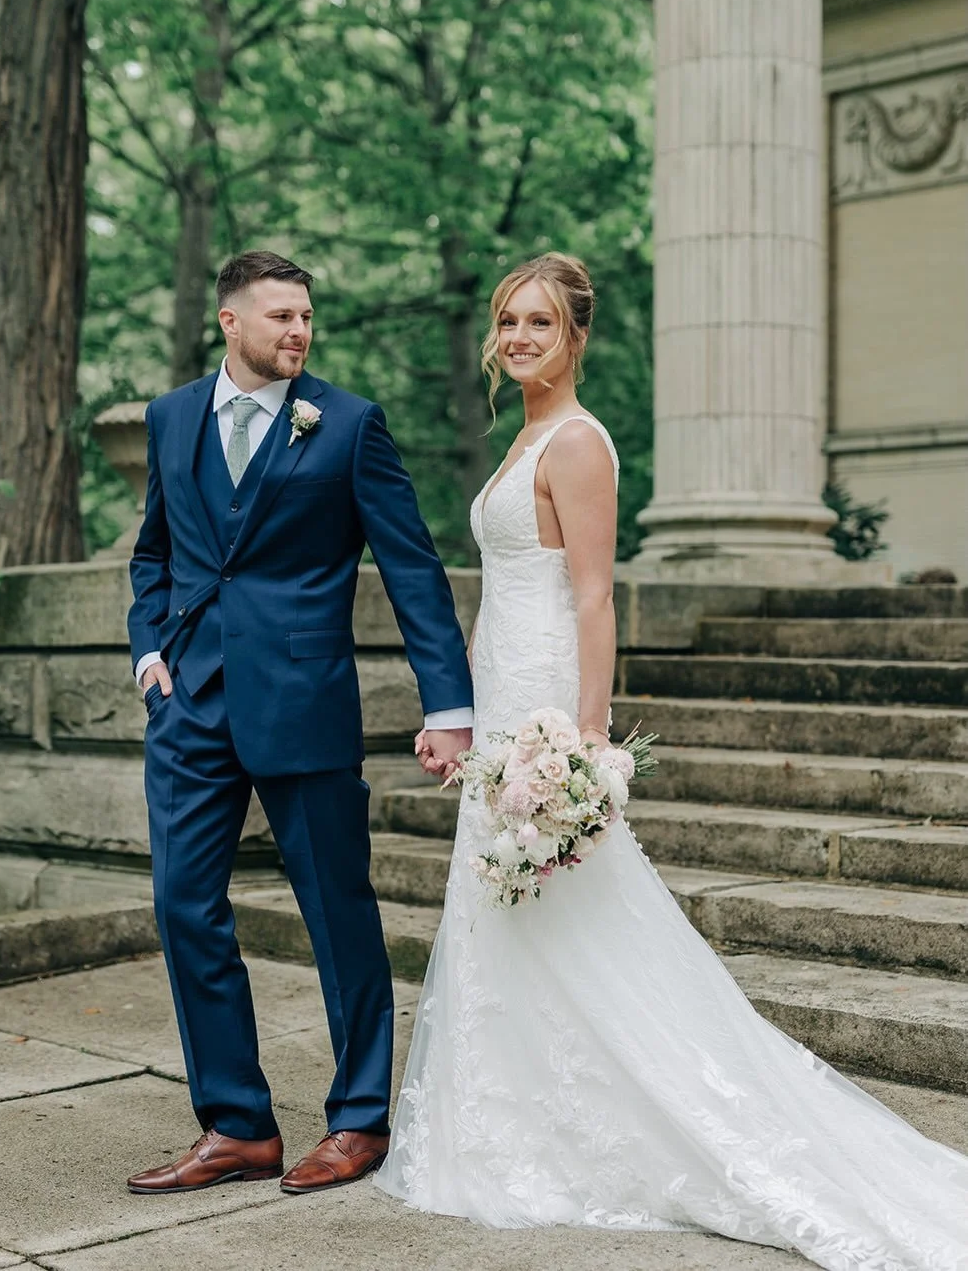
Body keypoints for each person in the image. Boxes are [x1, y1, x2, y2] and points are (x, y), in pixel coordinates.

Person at [375, 252, 968, 1269]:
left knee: (573, 908)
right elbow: (506, 587)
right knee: (510, 909)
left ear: (576, 336)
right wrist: (464, 712)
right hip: (502, 689)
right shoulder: (523, 435)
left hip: (547, 702)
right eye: (508, 321)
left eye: (539, 323)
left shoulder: (576, 442)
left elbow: (592, 595)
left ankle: (631, 1118)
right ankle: (516, 1113)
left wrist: (584, 739)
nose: (517, 338)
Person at [126, 250, 473, 1196]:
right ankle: (236, 1125)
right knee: (183, 908)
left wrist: (448, 704)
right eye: (281, 315)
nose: (299, 331)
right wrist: (149, 653)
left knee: (336, 910)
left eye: (307, 316)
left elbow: (411, 568)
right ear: (230, 321)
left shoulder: (348, 424)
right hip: (188, 704)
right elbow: (154, 551)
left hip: (304, 699)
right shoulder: (170, 417)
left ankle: (359, 1120)